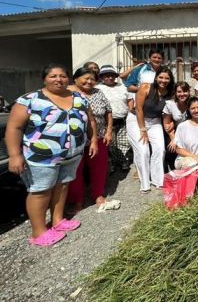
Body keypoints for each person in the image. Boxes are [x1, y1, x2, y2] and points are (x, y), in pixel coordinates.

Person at [5, 64, 97, 246]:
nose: (58, 79)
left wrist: (93, 140)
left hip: (71, 155)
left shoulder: (79, 98)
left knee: (62, 186)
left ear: (68, 79)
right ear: (44, 79)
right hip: (41, 156)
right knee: (40, 191)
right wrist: (15, 155)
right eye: (53, 76)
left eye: (62, 76)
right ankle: (38, 232)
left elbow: (91, 121)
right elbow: (13, 128)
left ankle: (57, 220)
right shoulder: (30, 100)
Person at [67, 68, 116, 214]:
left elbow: (108, 112)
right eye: (86, 78)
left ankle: (98, 195)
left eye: (92, 79)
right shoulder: (67, 93)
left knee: (99, 168)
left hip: (100, 136)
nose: (89, 81)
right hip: (75, 139)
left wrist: (108, 131)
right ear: (75, 78)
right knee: (76, 170)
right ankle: (77, 200)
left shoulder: (98, 92)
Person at [129, 67, 175, 193]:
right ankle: (145, 184)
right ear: (156, 78)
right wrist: (143, 130)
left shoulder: (170, 93)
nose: (163, 80)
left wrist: (170, 122)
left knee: (160, 149)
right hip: (137, 121)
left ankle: (158, 180)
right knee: (143, 151)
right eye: (161, 77)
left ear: (170, 80)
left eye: (167, 78)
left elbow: (168, 111)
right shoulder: (145, 87)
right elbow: (138, 109)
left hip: (155, 122)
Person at [97, 65, 130, 172]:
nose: (110, 78)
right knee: (111, 144)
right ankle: (112, 163)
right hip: (106, 122)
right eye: (107, 76)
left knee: (124, 143)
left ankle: (122, 160)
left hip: (122, 120)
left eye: (112, 76)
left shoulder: (122, 86)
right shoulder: (98, 89)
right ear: (102, 77)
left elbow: (129, 100)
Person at [163, 81, 190, 171]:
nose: (182, 94)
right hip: (173, 132)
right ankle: (170, 170)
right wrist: (174, 139)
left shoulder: (191, 103)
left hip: (189, 132)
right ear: (175, 92)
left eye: (185, 91)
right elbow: (167, 124)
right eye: (179, 92)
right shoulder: (170, 104)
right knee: (172, 148)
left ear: (189, 92)